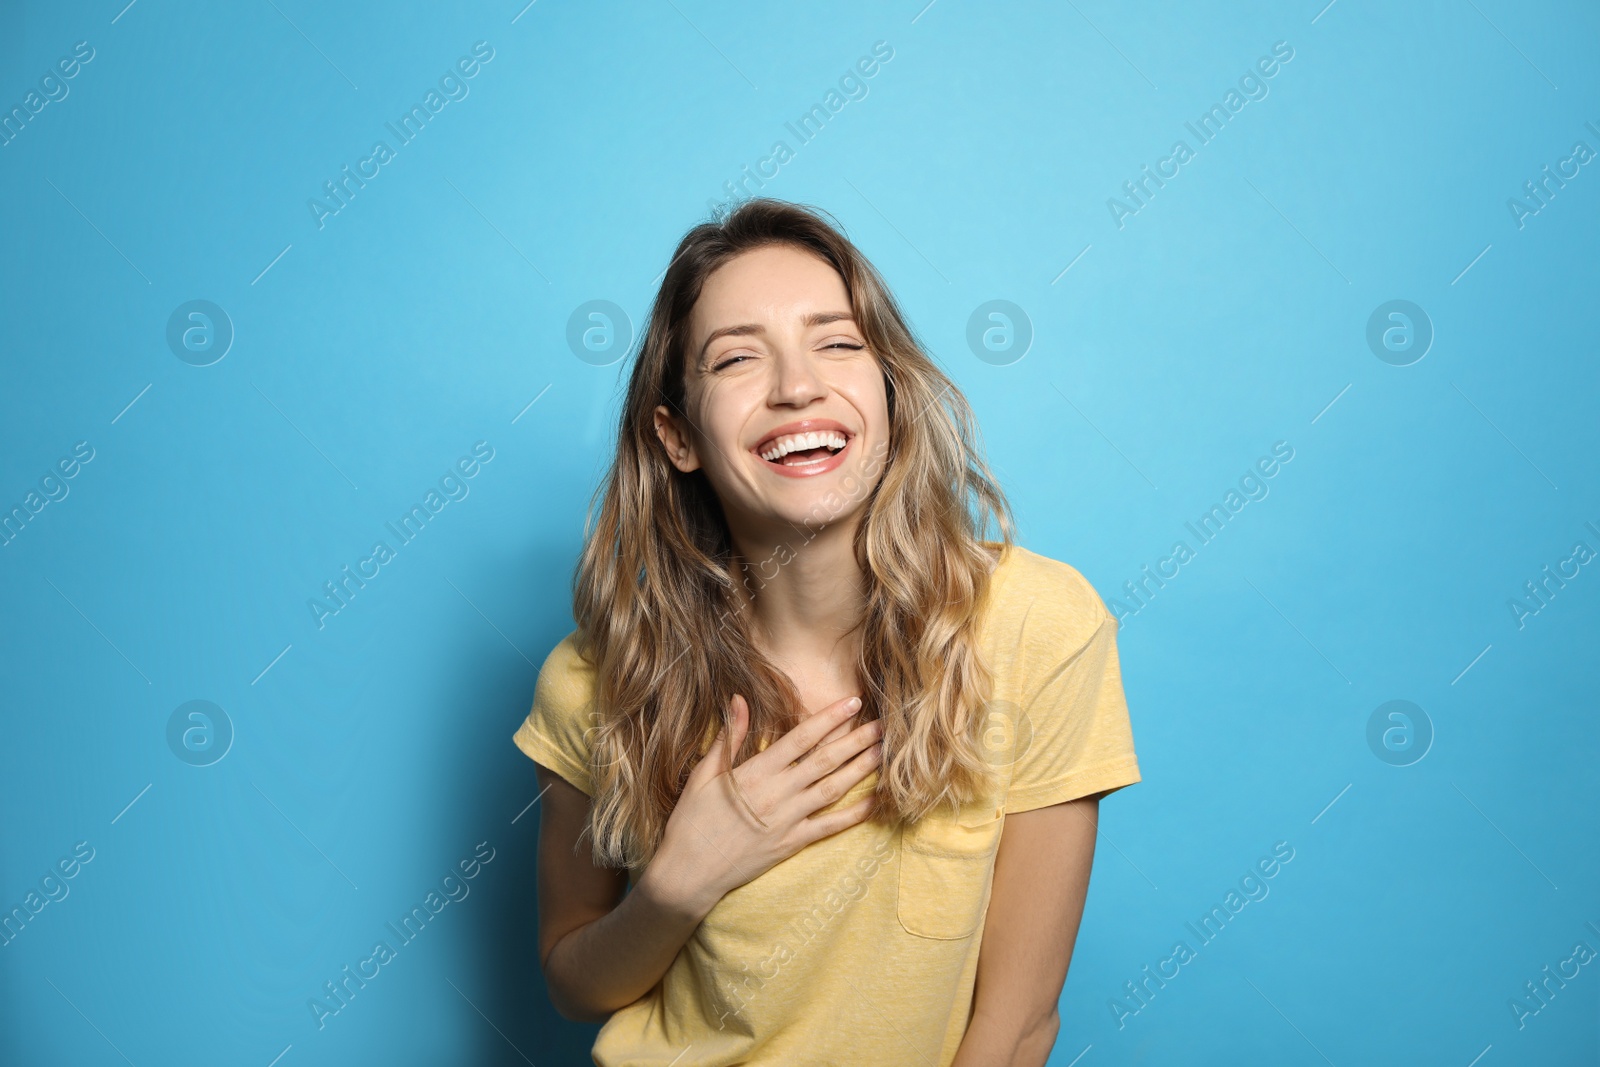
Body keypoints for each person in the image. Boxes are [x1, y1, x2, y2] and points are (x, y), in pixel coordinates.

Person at [512, 198, 1140, 1066]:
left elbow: (1019, 1022)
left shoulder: (1038, 626)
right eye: (736, 357)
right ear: (678, 433)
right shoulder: (594, 679)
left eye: (837, 342)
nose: (797, 385)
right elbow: (573, 982)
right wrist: (679, 882)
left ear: (887, 389)